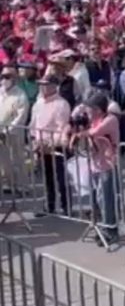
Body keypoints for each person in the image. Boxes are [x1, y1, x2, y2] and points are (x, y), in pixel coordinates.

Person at [71, 93, 120, 245]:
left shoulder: (110, 120)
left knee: (106, 199)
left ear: (98, 109)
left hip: (108, 164)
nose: (88, 110)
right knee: (97, 199)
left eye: (91, 108)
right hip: (95, 164)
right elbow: (78, 119)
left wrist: (79, 135)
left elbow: (95, 132)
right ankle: (102, 227)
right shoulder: (94, 120)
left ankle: (111, 230)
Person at [30, 75, 71, 216]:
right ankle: (50, 205)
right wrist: (34, 140)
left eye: (46, 84)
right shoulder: (39, 102)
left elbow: (62, 127)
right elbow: (34, 123)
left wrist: (52, 143)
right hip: (41, 145)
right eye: (41, 84)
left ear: (54, 86)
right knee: (47, 177)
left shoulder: (61, 104)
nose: (42, 87)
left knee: (61, 177)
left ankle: (67, 207)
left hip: (57, 146)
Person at [0, 64, 30, 190]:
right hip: (0, 132)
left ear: (14, 78)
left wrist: (8, 130)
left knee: (18, 158)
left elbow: (21, 116)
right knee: (4, 159)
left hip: (14, 132)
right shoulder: (0, 92)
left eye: (8, 76)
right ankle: (9, 182)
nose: (4, 79)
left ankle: (23, 185)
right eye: (3, 76)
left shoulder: (20, 95)